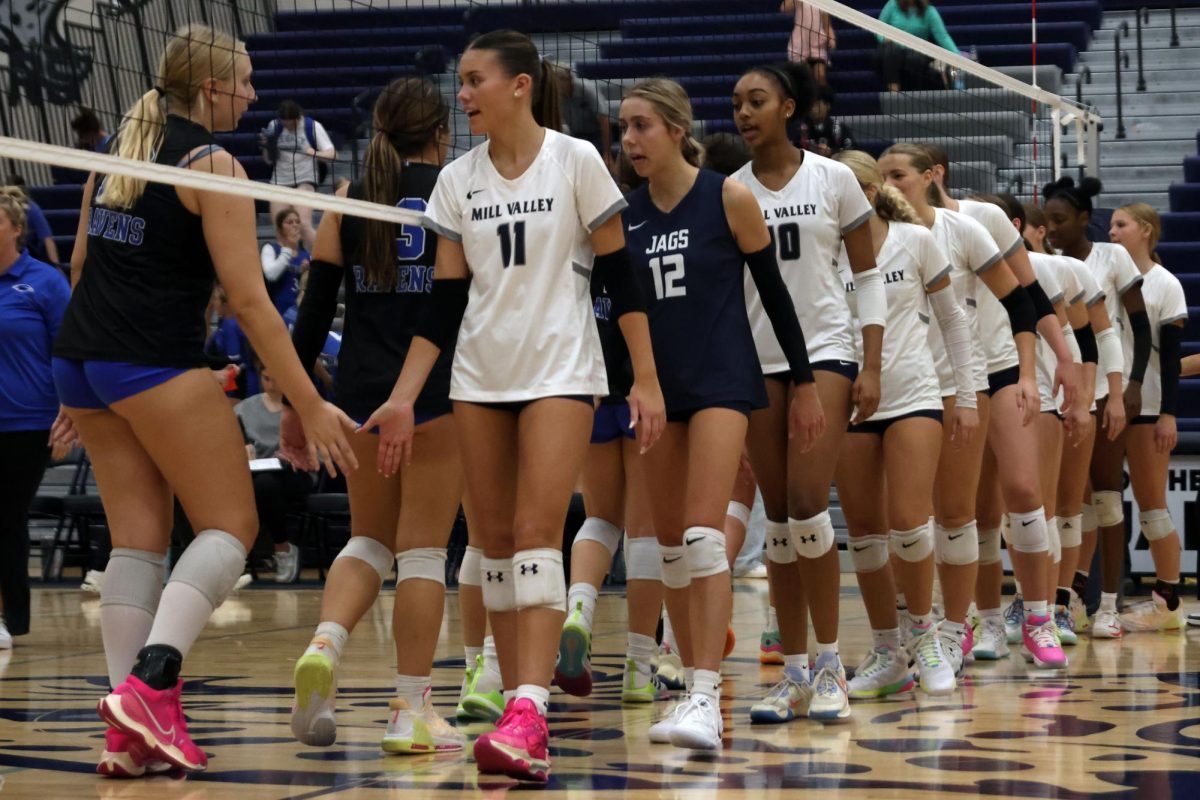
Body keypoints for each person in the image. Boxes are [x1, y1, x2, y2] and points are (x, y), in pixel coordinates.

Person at [50, 24, 356, 778]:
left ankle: (126, 730)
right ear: (212, 87)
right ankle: (153, 684)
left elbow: (84, 261)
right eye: (245, 81)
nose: (253, 95)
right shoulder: (212, 163)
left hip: (83, 362)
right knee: (233, 524)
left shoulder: (115, 150)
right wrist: (310, 400)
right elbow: (251, 303)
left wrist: (84, 371)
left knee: (138, 541)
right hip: (149, 362)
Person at [361, 30, 665, 782]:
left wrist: (646, 379)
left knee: (536, 531)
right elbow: (444, 305)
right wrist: (403, 397)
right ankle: (514, 705)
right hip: (478, 379)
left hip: (561, 370)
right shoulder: (456, 180)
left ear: (520, 85)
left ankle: (532, 709)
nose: (461, 96)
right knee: (493, 545)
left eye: (474, 81)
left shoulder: (577, 160)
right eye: (461, 83)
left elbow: (623, 281)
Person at [620, 77, 820, 748]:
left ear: (677, 129)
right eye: (623, 128)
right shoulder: (626, 215)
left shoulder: (728, 197)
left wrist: (806, 382)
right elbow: (619, 314)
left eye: (642, 125)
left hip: (723, 381)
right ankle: (686, 686)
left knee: (705, 538)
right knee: (672, 547)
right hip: (658, 389)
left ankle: (707, 694)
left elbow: (777, 297)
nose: (629, 140)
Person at [281, 75, 476, 755]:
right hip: (434, 394)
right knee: (422, 550)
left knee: (368, 540)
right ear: (440, 131)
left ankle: (326, 647)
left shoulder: (351, 199)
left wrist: (295, 405)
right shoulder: (458, 190)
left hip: (359, 396)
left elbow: (309, 319)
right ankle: (410, 710)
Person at [732, 60, 882, 723]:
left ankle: (829, 664)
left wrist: (870, 365)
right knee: (779, 517)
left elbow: (868, 277)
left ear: (789, 108)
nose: (743, 112)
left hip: (824, 352)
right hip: (754, 359)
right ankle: (792, 671)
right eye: (736, 102)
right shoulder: (728, 190)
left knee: (803, 502)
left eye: (757, 100)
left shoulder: (835, 178)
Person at [879, 143, 1067, 673]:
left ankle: (1039, 617)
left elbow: (1024, 298)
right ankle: (967, 624)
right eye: (883, 175)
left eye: (900, 174)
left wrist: (1044, 370)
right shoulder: (879, 235)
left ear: (932, 175)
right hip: (925, 382)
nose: (890, 184)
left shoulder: (974, 221)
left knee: (1025, 491)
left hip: (996, 366)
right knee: (965, 512)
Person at [831, 150, 976, 700]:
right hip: (848, 402)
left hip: (914, 392)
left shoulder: (914, 240)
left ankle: (927, 635)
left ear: (867, 194)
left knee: (912, 527)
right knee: (865, 536)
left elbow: (953, 320)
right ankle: (888, 651)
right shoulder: (825, 252)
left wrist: (965, 396)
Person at [1043, 177, 1150, 640]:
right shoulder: (1046, 262)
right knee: (1072, 503)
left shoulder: (1113, 257)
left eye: (1060, 220)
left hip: (1107, 388)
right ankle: (1066, 603)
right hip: (1065, 393)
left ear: (1085, 219)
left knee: (1106, 496)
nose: (1051, 229)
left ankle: (1109, 604)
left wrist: (1132, 385)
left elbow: (1139, 327)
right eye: (1046, 220)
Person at [1022, 201, 1122, 644]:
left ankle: (1062, 604)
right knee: (1023, 512)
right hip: (1017, 397)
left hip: (1069, 397)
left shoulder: (1062, 272)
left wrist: (1100, 395)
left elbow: (1097, 338)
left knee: (1069, 505)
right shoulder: (978, 270)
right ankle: (1031, 605)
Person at [1108, 203, 1187, 632]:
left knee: (1152, 506)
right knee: (1095, 503)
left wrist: (1169, 415)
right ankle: (1083, 600)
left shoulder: (1165, 284)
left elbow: (1172, 358)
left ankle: (1168, 602)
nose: (1113, 232)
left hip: (1150, 405)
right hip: (1107, 401)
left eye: (1121, 225)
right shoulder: (1104, 275)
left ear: (1146, 230)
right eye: (1112, 225)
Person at [0, 188, 71, 649]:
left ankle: (9, 617)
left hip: (28, 424)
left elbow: (68, 351)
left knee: (5, 515)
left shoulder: (43, 282)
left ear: (16, 229)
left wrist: (71, 415)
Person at [233, 358, 314, 583]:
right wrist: (242, 450)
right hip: (256, 472)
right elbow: (232, 442)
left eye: (277, 379)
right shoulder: (244, 408)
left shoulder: (302, 408)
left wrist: (296, 454)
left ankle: (282, 548)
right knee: (261, 484)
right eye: (266, 378)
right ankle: (235, 553)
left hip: (297, 471)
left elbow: (316, 449)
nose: (271, 384)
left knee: (265, 484)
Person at [262, 100, 336, 250]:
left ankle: (319, 260)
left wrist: (313, 153)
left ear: (299, 117)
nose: (288, 126)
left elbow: (332, 154)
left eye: (292, 123)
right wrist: (267, 147)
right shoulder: (274, 127)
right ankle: (287, 266)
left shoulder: (312, 127)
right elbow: (268, 160)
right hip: (280, 180)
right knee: (280, 227)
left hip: (305, 178)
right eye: (285, 123)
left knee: (303, 224)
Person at [875, 0, 958, 92]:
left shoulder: (929, 11)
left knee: (914, 58)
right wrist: (884, 39)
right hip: (892, 51)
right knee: (892, 51)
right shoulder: (892, 5)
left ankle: (914, 96)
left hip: (917, 52)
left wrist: (958, 58)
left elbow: (943, 37)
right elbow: (878, 28)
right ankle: (894, 93)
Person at [551, 62, 615, 169]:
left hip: (596, 135)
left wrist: (607, 155)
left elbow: (604, 120)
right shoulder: (556, 94)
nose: (553, 85)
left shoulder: (587, 88)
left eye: (555, 81)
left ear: (566, 79)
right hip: (574, 135)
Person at [261, 206, 310, 319]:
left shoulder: (306, 255)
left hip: (299, 313)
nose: (295, 225)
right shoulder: (270, 249)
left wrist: (306, 272)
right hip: (276, 312)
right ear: (280, 228)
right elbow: (271, 275)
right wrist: (288, 248)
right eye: (289, 222)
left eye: (297, 222)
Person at [3, 176, 60, 265]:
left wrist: (56, 265)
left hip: (29, 255)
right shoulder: (32, 208)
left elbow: (47, 238)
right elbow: (47, 238)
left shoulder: (32, 208)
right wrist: (56, 265)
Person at [782, 1, 836, 85]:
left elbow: (826, 22)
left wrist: (831, 37)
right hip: (800, 44)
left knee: (820, 75)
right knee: (805, 75)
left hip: (818, 44)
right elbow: (785, 8)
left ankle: (822, 97)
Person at [797, 85, 855, 157]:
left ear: (827, 105)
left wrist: (831, 152)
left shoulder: (840, 129)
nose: (813, 109)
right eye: (810, 104)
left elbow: (851, 152)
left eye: (817, 105)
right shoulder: (800, 129)